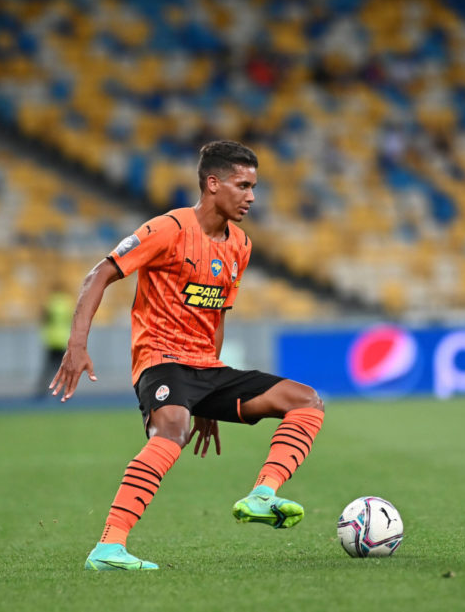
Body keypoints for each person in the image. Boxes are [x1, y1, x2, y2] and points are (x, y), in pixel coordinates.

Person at [50, 140, 325, 571]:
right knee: (172, 428)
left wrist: (207, 402)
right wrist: (76, 345)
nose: (251, 196)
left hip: (206, 367)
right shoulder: (168, 229)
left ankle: (263, 493)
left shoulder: (241, 247)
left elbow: (215, 315)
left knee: (305, 401)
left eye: (254, 186)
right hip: (160, 359)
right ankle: (108, 547)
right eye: (243, 185)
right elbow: (99, 274)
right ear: (212, 184)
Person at [34, 281, 72, 398]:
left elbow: (43, 318)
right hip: (63, 339)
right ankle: (64, 392)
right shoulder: (67, 302)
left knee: (47, 368)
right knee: (64, 368)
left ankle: (41, 392)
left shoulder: (49, 302)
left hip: (51, 339)